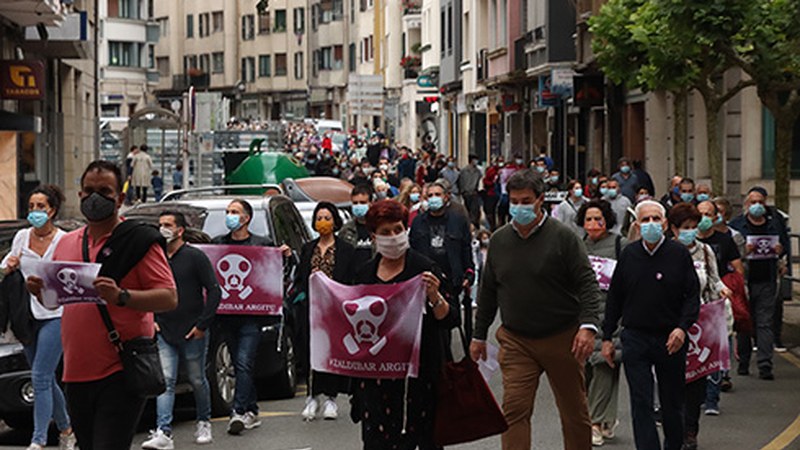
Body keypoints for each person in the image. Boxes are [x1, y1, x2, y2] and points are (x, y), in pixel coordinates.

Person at [26, 160, 177, 450]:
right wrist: (38, 291)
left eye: (105, 191)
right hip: (76, 371)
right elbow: (57, 300)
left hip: (120, 369)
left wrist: (122, 296)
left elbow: (169, 297)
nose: (96, 198)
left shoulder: (139, 241)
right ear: (80, 195)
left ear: (120, 198)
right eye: (89, 191)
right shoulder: (67, 242)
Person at [470, 169, 602, 450]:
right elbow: (489, 291)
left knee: (574, 412)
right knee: (514, 411)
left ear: (541, 200)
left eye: (526, 200)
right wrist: (478, 335)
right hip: (517, 340)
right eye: (515, 201)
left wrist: (589, 326)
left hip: (562, 337)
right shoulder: (499, 241)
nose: (520, 207)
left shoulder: (563, 237)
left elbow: (587, 283)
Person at [350, 200, 459, 449]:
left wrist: (435, 296)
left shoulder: (425, 269)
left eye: (398, 229)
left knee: (422, 439)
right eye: (385, 232)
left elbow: (451, 319)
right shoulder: (365, 274)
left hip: (418, 379)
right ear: (373, 236)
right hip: (376, 380)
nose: (394, 237)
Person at [602, 200, 700, 450]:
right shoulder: (629, 255)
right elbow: (615, 297)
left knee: (671, 402)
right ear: (637, 225)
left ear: (666, 224)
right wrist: (606, 337)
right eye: (645, 220)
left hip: (671, 338)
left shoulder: (678, 255)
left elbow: (691, 296)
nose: (651, 225)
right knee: (641, 401)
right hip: (635, 337)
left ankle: (673, 445)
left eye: (656, 219)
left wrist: (682, 327)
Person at [1, 185, 76, 450]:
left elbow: (71, 277)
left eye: (40, 207)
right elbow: (7, 266)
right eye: (31, 206)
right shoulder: (21, 236)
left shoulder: (65, 239)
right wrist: (8, 266)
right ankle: (66, 428)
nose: (35, 212)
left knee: (41, 376)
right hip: (26, 315)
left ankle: (39, 439)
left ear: (52, 210)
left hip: (55, 314)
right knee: (42, 377)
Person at [141, 211, 222, 449]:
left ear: (180, 230)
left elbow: (214, 291)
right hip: (164, 329)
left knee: (197, 379)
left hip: (192, 330)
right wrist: (152, 319)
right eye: (160, 224)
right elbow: (146, 288)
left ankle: (204, 421)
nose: (162, 229)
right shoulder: (155, 257)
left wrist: (202, 324)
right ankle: (163, 431)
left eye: (168, 225)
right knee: (165, 381)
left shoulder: (195, 257)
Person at [211, 199, 291, 434]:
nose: (230, 216)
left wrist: (283, 256)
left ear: (246, 218)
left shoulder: (262, 244)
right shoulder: (218, 245)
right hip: (226, 317)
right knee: (238, 364)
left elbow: (273, 275)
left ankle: (238, 411)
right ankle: (252, 409)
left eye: (234, 212)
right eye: (228, 212)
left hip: (251, 317)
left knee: (244, 362)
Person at [666, 203, 729, 450]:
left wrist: (722, 290)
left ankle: (690, 429)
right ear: (673, 229)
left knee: (696, 381)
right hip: (671, 321)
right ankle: (675, 427)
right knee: (673, 379)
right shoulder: (667, 251)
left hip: (701, 322)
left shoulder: (705, 252)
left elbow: (714, 280)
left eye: (693, 228)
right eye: (685, 228)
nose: (690, 232)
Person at [294, 202, 356, 421]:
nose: (323, 222)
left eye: (327, 218)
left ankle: (331, 397)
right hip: (311, 308)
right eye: (319, 218)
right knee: (310, 350)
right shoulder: (308, 248)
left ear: (335, 221)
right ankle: (312, 396)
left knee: (331, 351)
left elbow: (350, 280)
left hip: (335, 309)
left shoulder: (347, 250)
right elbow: (300, 276)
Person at [575, 199, 627, 447]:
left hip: (613, 317)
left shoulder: (620, 245)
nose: (593, 224)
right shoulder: (576, 246)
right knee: (586, 370)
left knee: (607, 364)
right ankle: (605, 418)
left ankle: (594, 422)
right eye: (588, 219)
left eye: (598, 219)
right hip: (584, 317)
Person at [728, 187, 789, 380]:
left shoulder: (775, 223)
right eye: (753, 202)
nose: (757, 206)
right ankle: (744, 361)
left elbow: (785, 247)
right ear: (746, 205)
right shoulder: (737, 225)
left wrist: (780, 252)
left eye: (760, 202)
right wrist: (743, 250)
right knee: (745, 322)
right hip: (745, 280)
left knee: (764, 323)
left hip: (767, 279)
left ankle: (765, 364)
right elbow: (731, 253)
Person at [698, 199, 743, 398]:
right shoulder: (686, 242)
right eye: (700, 214)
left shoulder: (724, 240)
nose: (704, 219)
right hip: (693, 298)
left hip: (716, 297)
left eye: (709, 214)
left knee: (722, 335)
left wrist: (737, 288)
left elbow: (737, 266)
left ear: (716, 217)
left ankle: (720, 376)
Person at [409, 179, 475, 311]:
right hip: (426, 280)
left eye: (438, 195)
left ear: (446, 197)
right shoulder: (418, 222)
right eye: (430, 195)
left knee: (450, 318)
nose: (434, 198)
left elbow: (465, 248)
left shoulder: (458, 220)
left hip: (452, 280)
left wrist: (469, 273)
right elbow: (413, 250)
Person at [458, 155, 483, 228]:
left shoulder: (478, 171)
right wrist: (463, 191)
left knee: (475, 210)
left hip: (474, 193)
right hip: (466, 193)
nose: (476, 162)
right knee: (467, 209)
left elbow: (479, 181)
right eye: (475, 160)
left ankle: (474, 224)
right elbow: (461, 182)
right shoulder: (464, 171)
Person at [482, 157, 501, 230]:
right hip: (491, 193)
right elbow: (486, 181)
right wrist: (492, 182)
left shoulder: (505, 170)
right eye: (499, 161)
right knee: (490, 211)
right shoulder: (491, 171)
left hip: (502, 194)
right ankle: (492, 226)